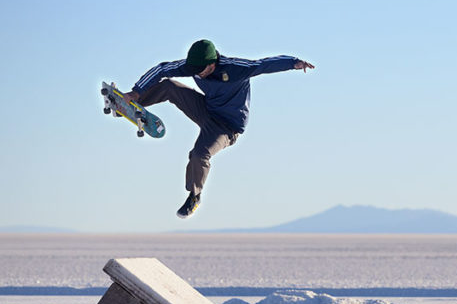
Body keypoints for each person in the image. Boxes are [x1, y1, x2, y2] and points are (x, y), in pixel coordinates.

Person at [124, 39, 314, 218]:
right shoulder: (191, 67)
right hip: (206, 109)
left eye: (200, 71)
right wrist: (137, 90)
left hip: (227, 128)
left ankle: (194, 197)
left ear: (212, 64)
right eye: (194, 71)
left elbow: (263, 64)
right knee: (169, 85)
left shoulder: (236, 69)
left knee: (199, 154)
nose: (197, 74)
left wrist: (294, 62)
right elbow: (162, 68)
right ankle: (131, 104)